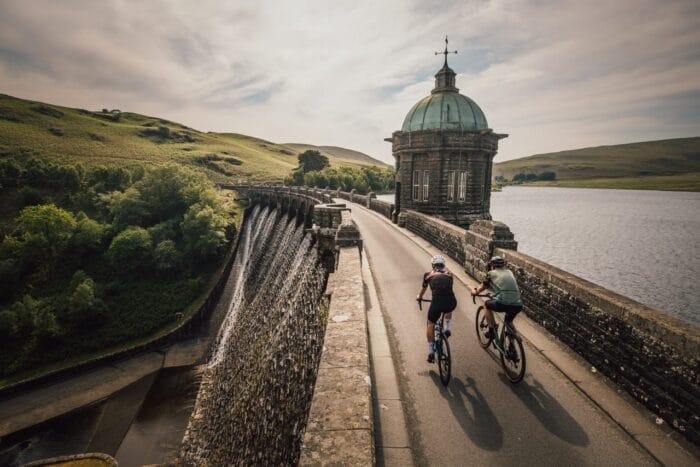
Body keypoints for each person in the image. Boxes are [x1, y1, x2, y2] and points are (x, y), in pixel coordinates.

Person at [416, 255, 457, 363]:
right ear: (444, 265)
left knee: (430, 323)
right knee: (448, 305)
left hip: (437, 302)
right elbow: (447, 289)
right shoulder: (449, 274)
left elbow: (423, 289)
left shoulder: (428, 275)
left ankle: (430, 351)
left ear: (432, 265)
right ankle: (448, 327)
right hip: (451, 301)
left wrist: (419, 297)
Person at [471, 256, 522, 337]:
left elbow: (483, 286)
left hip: (503, 303)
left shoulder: (491, 273)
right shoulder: (509, 272)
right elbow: (506, 286)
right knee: (509, 322)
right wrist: (495, 294)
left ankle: (491, 330)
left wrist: (475, 291)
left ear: (492, 266)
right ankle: (512, 345)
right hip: (518, 304)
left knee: (487, 305)